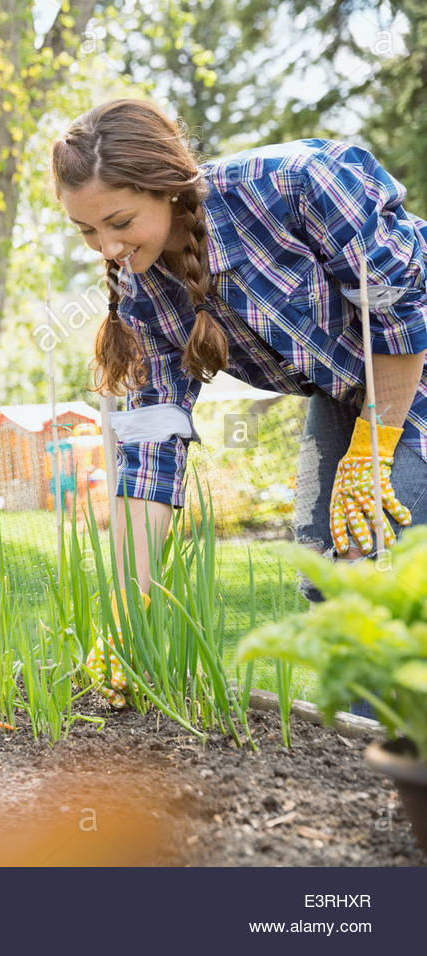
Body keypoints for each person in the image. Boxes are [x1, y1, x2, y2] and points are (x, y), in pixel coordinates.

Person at [51, 98, 427, 709]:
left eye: (119, 222)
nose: (107, 248)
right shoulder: (144, 293)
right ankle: (371, 764)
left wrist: (376, 445)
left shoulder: (295, 184)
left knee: (372, 563)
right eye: (88, 230)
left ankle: (400, 758)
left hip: (411, 360)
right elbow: (150, 458)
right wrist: (123, 614)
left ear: (167, 188)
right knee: (327, 570)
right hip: (350, 392)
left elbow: (402, 310)